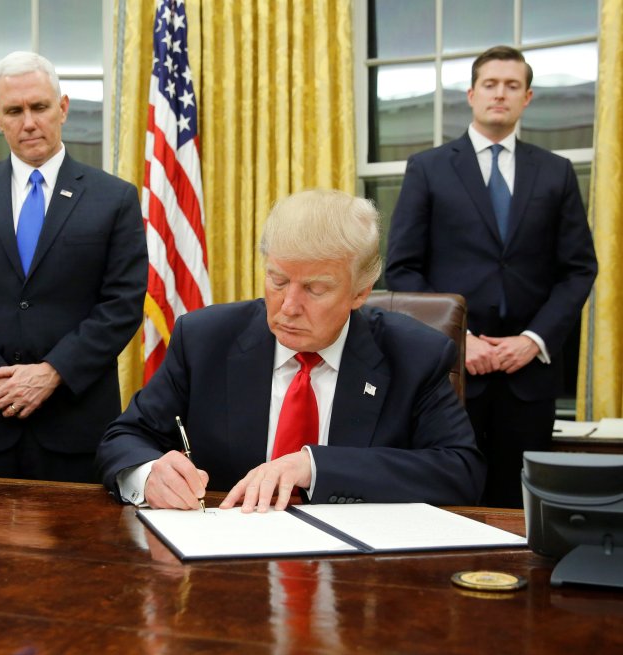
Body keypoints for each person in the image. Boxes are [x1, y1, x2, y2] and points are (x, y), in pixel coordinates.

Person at [96, 189, 485, 511]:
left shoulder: (415, 355)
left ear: (360, 292)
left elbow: (460, 471)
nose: (289, 306)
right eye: (278, 280)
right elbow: (124, 437)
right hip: (226, 557)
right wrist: (148, 474)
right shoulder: (205, 339)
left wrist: (314, 466)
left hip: (355, 567)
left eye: (315, 289)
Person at [0, 51, 147, 482]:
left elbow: (122, 304)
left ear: (63, 107)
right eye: (14, 111)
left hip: (73, 425)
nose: (28, 122)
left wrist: (52, 372)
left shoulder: (114, 199)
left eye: (39, 107)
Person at [386, 46, 598, 508]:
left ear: (527, 97)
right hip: (449, 376)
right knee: (447, 502)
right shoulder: (428, 168)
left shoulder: (556, 172)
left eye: (512, 85)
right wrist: (460, 341)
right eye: (490, 84)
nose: (500, 93)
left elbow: (578, 269)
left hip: (529, 378)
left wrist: (533, 340)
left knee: (521, 509)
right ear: (471, 94)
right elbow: (402, 268)